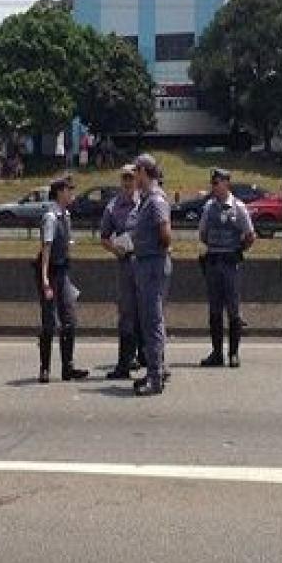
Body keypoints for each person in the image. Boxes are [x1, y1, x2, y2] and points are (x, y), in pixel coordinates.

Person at [198, 168, 256, 368]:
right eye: (212, 183)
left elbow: (250, 235)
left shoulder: (238, 207)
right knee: (214, 310)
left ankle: (233, 353)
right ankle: (217, 353)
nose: (214, 187)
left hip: (230, 263)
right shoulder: (208, 208)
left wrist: (238, 250)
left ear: (226, 183)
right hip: (214, 261)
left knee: (233, 309)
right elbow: (202, 234)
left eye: (217, 183)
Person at [36, 175, 89, 383]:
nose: (72, 193)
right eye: (69, 190)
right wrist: (44, 279)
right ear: (59, 192)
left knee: (69, 320)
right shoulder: (51, 217)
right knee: (49, 321)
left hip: (63, 271)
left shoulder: (65, 215)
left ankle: (68, 367)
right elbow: (46, 248)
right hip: (50, 271)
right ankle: (45, 368)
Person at [130, 154, 172, 396]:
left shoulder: (155, 200)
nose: (134, 177)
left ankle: (155, 378)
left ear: (144, 172)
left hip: (153, 264)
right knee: (150, 320)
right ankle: (156, 370)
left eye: (136, 172)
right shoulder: (146, 199)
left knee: (152, 321)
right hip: (147, 262)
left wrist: (153, 250)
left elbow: (165, 234)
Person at [99, 165, 143, 379]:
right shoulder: (113, 207)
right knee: (126, 313)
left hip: (146, 262)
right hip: (126, 263)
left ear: (137, 180)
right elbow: (104, 237)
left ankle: (151, 361)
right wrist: (114, 249)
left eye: (131, 178)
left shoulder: (146, 202)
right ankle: (124, 363)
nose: (128, 182)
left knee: (149, 312)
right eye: (124, 178)